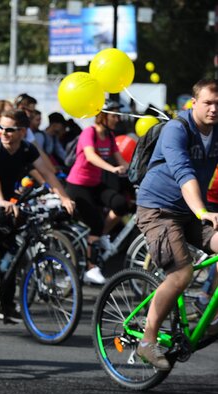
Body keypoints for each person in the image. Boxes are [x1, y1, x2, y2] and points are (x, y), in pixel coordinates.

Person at [134, 78, 218, 370]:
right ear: (194, 103)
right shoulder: (176, 129)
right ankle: (147, 341)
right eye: (208, 102)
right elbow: (183, 172)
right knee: (181, 273)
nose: (214, 109)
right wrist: (201, 210)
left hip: (193, 210)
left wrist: (199, 211)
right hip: (159, 209)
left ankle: (211, 318)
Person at [0, 109, 75, 322]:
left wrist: (63, 198)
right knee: (0, 217)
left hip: (7, 200)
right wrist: (1, 201)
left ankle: (5, 304)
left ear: (23, 132)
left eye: (10, 130)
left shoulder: (27, 150)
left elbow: (47, 174)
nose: (4, 133)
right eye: (1, 128)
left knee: (16, 248)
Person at [65, 100, 130, 285]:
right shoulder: (89, 132)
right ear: (103, 116)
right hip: (77, 185)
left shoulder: (109, 136)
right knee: (95, 221)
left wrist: (135, 171)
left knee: (120, 204)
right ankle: (91, 268)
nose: (117, 119)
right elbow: (91, 156)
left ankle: (98, 236)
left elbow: (121, 160)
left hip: (95, 184)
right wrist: (112, 169)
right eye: (114, 115)